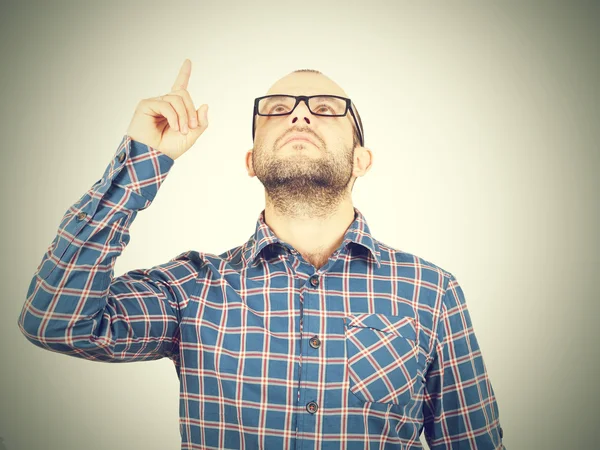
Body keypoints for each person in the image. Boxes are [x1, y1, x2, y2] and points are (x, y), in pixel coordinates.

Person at [17, 58, 505, 449]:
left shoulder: (431, 292)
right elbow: (56, 321)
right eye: (276, 107)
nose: (299, 113)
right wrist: (144, 161)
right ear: (252, 161)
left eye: (327, 107)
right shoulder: (193, 288)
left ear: (362, 159)